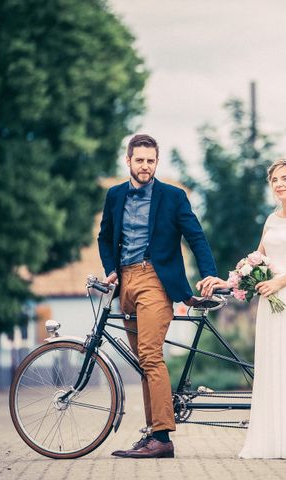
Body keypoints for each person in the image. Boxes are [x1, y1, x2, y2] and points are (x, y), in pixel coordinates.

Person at [97, 133, 218, 459]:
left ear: (156, 162)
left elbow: (196, 236)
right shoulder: (115, 195)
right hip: (126, 282)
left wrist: (208, 272)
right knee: (144, 361)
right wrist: (110, 269)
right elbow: (105, 237)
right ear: (129, 161)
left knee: (150, 355)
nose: (145, 166)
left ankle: (162, 437)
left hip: (156, 281)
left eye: (151, 161)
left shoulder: (172, 196)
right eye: (140, 160)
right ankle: (153, 433)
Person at [200, 158, 286, 460]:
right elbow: (256, 260)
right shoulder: (272, 219)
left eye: (284, 178)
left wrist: (280, 282)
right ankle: (272, 441)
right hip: (271, 302)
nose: (279, 184)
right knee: (273, 368)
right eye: (274, 180)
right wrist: (227, 281)